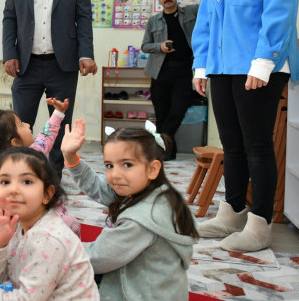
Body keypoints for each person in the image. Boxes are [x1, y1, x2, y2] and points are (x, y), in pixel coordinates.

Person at [192, 0, 299, 253]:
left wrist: (263, 63)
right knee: (231, 144)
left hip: (259, 64)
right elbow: (206, 20)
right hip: (222, 67)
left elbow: (279, 11)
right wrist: (201, 65)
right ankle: (231, 212)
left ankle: (260, 224)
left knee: (256, 145)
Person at [63, 124, 198, 300]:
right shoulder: (153, 192)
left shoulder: (143, 219)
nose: (115, 174)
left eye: (127, 164)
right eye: (109, 165)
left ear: (152, 169)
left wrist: (55, 247)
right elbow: (97, 186)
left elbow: (97, 257)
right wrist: (70, 157)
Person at [3, 0, 96, 174]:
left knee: (59, 124)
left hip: (62, 65)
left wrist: (86, 53)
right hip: (26, 65)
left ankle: (53, 178)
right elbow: (9, 18)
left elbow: (84, 16)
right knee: (20, 124)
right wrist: (9, 54)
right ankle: (22, 173)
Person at [0, 147, 99, 300]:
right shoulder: (15, 224)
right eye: (5, 181)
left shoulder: (50, 238)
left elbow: (27, 298)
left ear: (47, 194)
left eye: (27, 181)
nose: (13, 189)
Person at [0, 98, 81, 268]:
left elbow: (46, 135)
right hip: (8, 231)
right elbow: (46, 135)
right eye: (22, 125)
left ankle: (42, 261)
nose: (28, 125)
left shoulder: (32, 155)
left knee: (70, 224)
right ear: (15, 142)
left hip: (38, 223)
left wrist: (58, 114)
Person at [140, 0, 199, 159]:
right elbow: (145, 46)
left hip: (183, 71)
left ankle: (158, 144)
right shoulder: (153, 21)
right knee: (162, 112)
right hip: (160, 71)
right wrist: (161, 46)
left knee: (178, 109)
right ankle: (168, 152)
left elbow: (209, 5)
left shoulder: (190, 12)